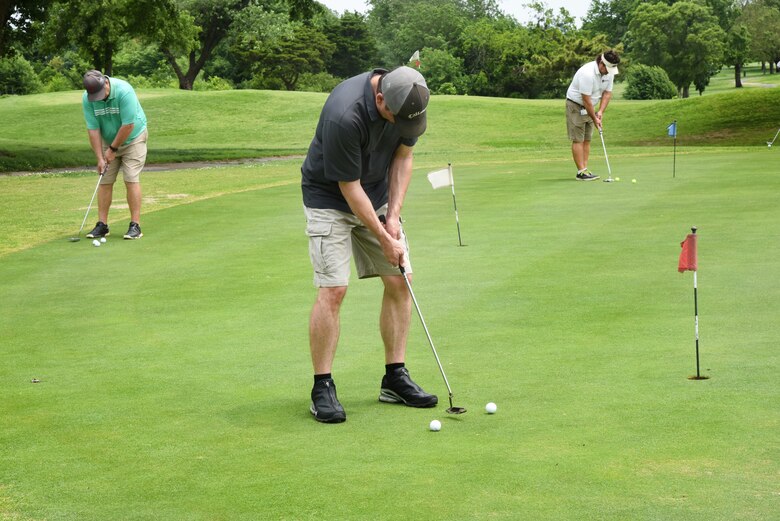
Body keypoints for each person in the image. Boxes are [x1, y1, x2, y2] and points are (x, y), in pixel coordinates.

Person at [301, 66, 437, 423]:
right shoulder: (344, 115)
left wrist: (393, 216)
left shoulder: (409, 101)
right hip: (329, 197)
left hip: (376, 194)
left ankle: (395, 377)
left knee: (400, 280)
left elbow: (403, 158)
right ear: (379, 100)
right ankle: (322, 386)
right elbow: (349, 186)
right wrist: (381, 236)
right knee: (334, 290)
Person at [81, 70, 148, 239]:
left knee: (131, 177)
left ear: (106, 83)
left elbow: (128, 125)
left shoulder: (124, 91)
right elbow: (93, 129)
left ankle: (135, 225)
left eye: (100, 93)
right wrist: (99, 158)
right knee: (104, 179)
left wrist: (112, 150)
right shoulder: (88, 98)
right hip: (107, 139)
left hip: (134, 137)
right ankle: (102, 225)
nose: (99, 98)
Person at [565, 50, 620, 181]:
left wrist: (600, 112)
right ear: (601, 63)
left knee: (587, 138)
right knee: (578, 138)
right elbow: (586, 99)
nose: (609, 73)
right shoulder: (587, 73)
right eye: (607, 69)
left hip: (590, 106)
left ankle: (585, 169)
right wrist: (594, 118)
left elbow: (607, 93)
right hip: (576, 105)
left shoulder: (609, 72)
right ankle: (581, 172)